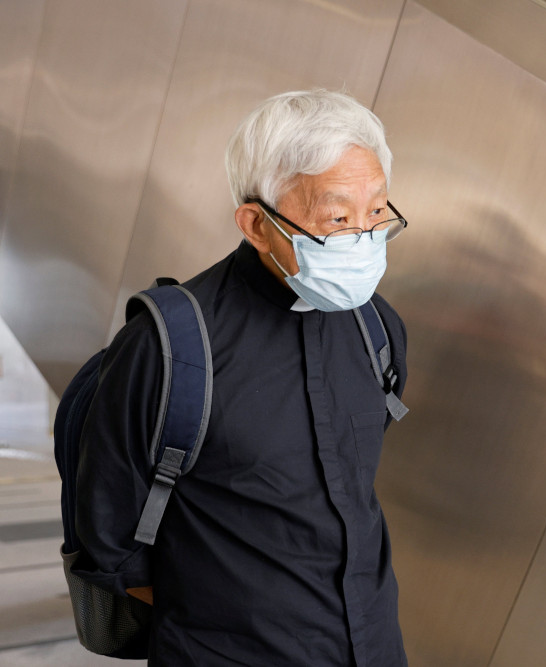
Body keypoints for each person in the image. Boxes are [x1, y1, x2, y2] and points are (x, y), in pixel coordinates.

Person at [73, 90, 410, 665]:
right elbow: (108, 539)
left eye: (376, 210)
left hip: (373, 645)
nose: (363, 236)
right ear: (256, 223)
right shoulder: (170, 347)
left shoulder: (377, 328)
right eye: (336, 217)